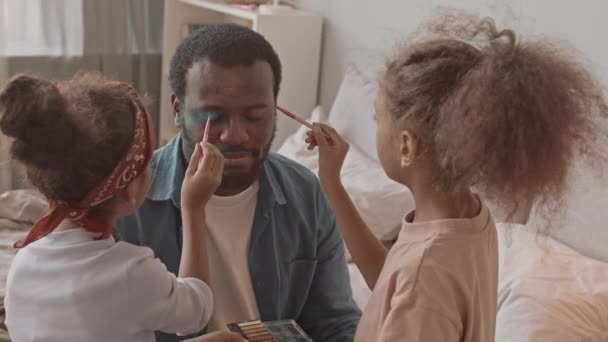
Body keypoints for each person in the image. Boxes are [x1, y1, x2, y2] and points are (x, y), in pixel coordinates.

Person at [305, 12, 608, 342]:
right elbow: (391, 283)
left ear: (406, 145)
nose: (375, 127)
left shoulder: (426, 273)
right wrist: (331, 183)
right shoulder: (471, 218)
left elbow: (413, 285)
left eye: (377, 118)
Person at [115, 24, 361, 342]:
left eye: (255, 116)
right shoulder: (126, 202)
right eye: (212, 116)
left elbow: (335, 323)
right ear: (177, 110)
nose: (236, 135)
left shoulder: (305, 194)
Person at [0, 73, 244, 342]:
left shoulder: (22, 265)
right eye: (147, 163)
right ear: (130, 189)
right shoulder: (132, 272)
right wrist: (193, 209)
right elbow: (197, 311)